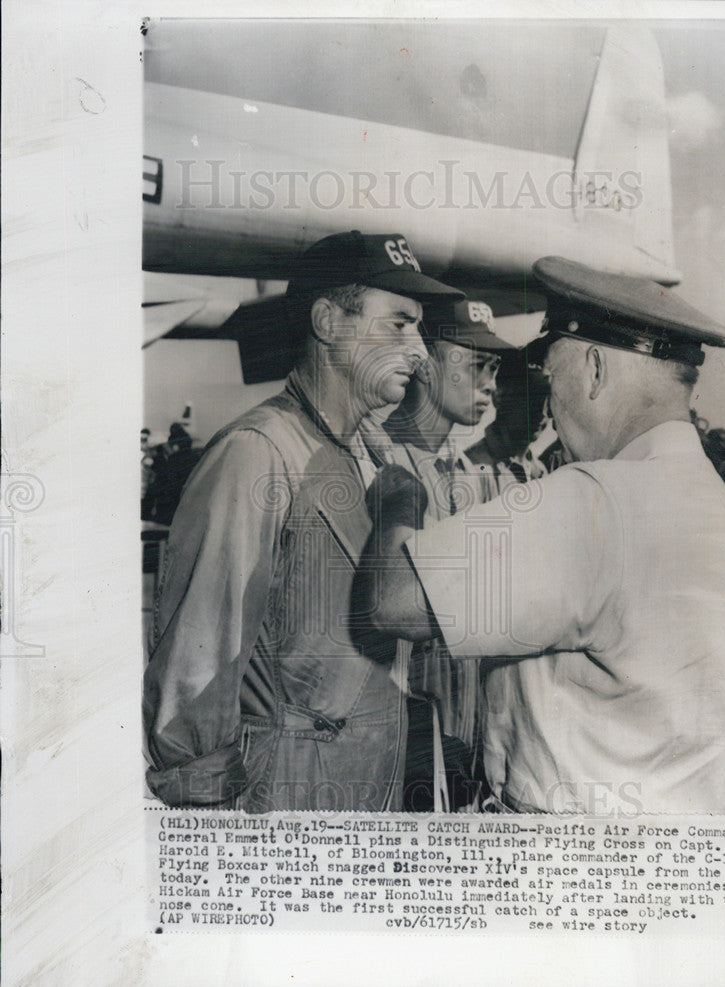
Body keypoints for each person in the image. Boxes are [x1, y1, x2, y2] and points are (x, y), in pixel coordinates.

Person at [358, 256, 725, 816]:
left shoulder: (597, 499)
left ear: (596, 371)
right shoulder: (712, 504)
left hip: (577, 857)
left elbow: (392, 603)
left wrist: (397, 498)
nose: (549, 408)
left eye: (553, 379)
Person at [143, 230, 463, 811]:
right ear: (327, 321)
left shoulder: (367, 452)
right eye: (399, 323)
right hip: (284, 799)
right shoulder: (257, 453)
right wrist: (209, 822)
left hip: (365, 791)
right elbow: (197, 664)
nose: (419, 350)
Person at [365, 299, 513, 807]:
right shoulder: (371, 462)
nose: (491, 382)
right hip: (393, 736)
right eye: (477, 364)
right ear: (426, 365)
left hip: (460, 734)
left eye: (495, 367)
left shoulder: (466, 475)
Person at [465, 344, 551, 487]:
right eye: (531, 399)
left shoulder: (540, 472)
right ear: (498, 397)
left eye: (548, 401)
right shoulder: (473, 471)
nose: (542, 413)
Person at [141, 423, 203, 526]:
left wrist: (146, 515)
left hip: (168, 513)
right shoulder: (195, 459)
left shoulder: (172, 461)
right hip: (188, 512)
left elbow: (154, 489)